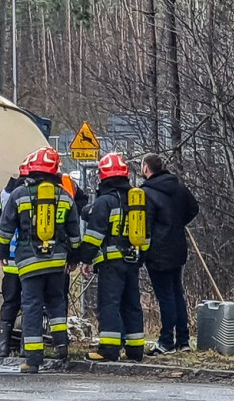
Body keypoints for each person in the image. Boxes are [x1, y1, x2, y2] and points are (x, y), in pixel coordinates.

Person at [0, 146, 81, 374]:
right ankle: (62, 347)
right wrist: (73, 259)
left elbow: (3, 231)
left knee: (31, 306)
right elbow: (74, 233)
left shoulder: (19, 194)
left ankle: (33, 360)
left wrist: (0, 254)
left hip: (29, 262)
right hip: (57, 263)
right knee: (56, 302)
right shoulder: (64, 195)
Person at [82, 152, 148, 362]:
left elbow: (94, 236)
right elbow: (145, 234)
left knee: (109, 303)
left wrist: (85, 259)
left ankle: (109, 350)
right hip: (132, 260)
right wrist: (141, 258)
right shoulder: (136, 200)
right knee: (131, 304)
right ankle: (135, 349)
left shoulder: (105, 202)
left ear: (103, 176)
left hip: (111, 263)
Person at [140, 153, 199, 355]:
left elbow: (144, 225)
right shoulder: (178, 187)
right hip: (177, 246)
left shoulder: (147, 192)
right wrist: (177, 223)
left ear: (146, 168)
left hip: (158, 250)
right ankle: (183, 340)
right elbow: (193, 208)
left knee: (165, 296)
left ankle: (166, 341)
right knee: (177, 293)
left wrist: (143, 250)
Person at [0, 160, 30, 357]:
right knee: (32, 303)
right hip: (33, 262)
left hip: (10, 260)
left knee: (10, 302)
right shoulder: (44, 192)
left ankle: (2, 346)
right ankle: (26, 348)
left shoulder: (5, 195)